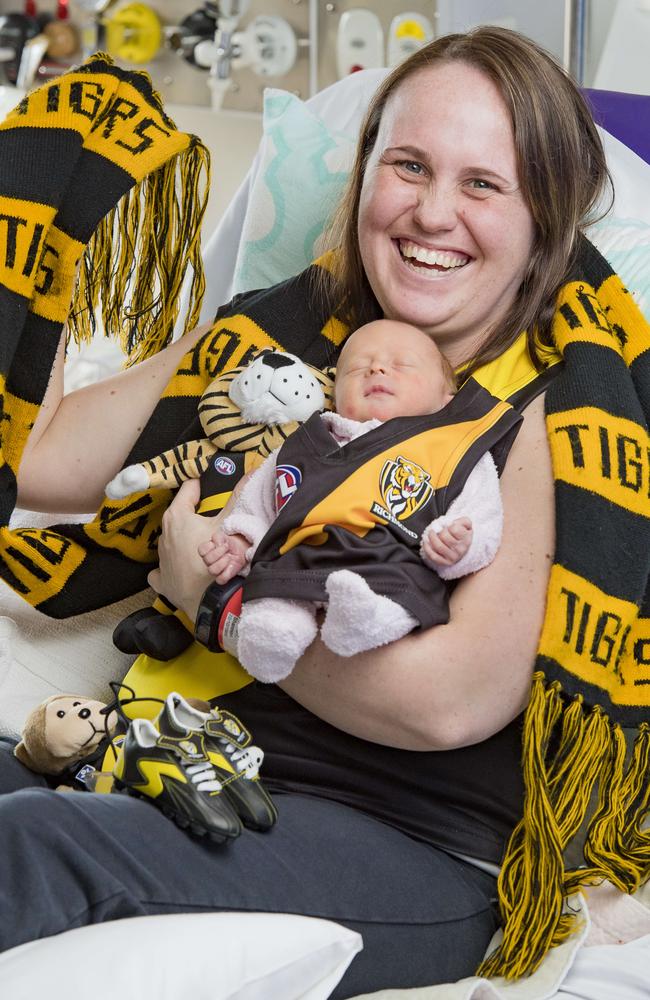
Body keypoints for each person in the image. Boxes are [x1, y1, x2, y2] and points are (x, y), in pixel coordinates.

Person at [2, 25, 644, 1000]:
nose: (432, 212)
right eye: (407, 165)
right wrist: (60, 204)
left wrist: (209, 596)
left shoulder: (548, 417)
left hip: (408, 843)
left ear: (543, 218)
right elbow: (37, 458)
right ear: (363, 178)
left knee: (31, 844)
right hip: (181, 759)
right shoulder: (277, 336)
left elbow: (447, 702)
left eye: (482, 184)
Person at [199, 318, 518, 682]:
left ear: (448, 398)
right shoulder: (313, 440)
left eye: (401, 364)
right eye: (357, 368)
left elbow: (482, 515)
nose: (377, 368)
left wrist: (459, 545)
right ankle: (271, 639)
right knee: (272, 599)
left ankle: (364, 618)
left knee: (394, 599)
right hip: (298, 558)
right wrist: (241, 540)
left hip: (392, 567)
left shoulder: (457, 451)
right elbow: (260, 500)